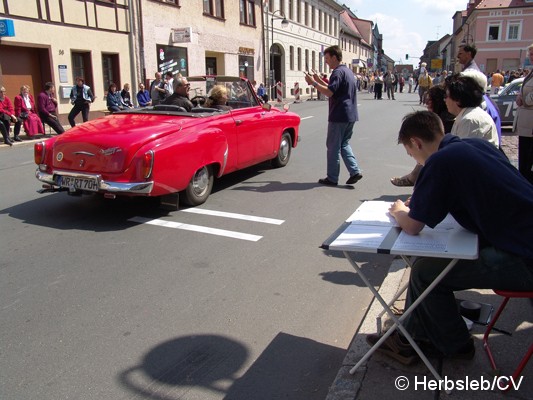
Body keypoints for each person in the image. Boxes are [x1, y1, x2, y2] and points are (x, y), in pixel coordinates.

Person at [367, 110, 533, 364]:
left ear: (416, 143)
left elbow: (412, 226)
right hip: (520, 238)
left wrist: (400, 211)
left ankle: (452, 345)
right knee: (427, 266)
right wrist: (427, 201)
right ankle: (416, 331)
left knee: (426, 272)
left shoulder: (440, 161)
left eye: (412, 154)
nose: (417, 161)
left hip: (523, 258)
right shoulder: (474, 146)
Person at [304, 45, 362, 186]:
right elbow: (335, 88)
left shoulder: (337, 73)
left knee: (333, 146)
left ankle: (332, 178)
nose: (326, 61)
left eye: (327, 58)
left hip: (339, 115)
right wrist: (319, 79)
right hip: (350, 115)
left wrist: (313, 83)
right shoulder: (347, 71)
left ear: (335, 57)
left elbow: (330, 92)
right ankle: (354, 171)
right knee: (344, 144)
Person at [390, 85, 455, 187]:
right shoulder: (458, 150)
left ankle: (413, 177)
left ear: (416, 143)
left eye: (428, 100)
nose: (426, 103)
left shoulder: (444, 166)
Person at [444, 73, 499, 148]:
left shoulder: (470, 120)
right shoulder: (465, 115)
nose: (445, 100)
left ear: (457, 99)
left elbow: (463, 153)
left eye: (446, 96)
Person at [514, 42, 533, 184]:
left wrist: (524, 100)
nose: (531, 57)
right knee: (523, 161)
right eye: (530, 54)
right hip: (525, 123)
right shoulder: (530, 72)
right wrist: (519, 96)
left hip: (531, 124)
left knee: (528, 162)